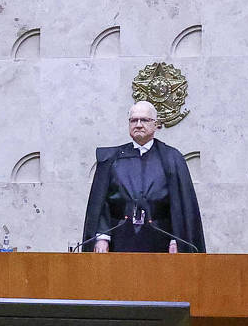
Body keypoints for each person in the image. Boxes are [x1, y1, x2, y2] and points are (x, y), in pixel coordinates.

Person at [85, 100, 204, 252]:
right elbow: (101, 204)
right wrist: (102, 237)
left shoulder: (172, 159)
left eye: (145, 120)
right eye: (134, 120)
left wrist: (176, 239)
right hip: (119, 241)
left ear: (156, 124)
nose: (139, 124)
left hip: (161, 241)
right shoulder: (111, 160)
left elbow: (180, 205)